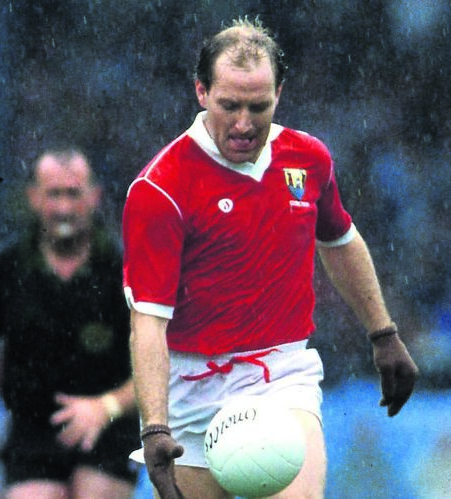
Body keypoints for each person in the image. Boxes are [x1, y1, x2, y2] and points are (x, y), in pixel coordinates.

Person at [121, 18, 419, 499]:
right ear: (201, 92)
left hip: (281, 375)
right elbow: (148, 322)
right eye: (229, 106)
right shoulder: (160, 189)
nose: (243, 124)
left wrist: (383, 333)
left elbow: (340, 241)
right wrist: (155, 427)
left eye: (258, 107)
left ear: (279, 93)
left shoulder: (308, 159)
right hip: (191, 388)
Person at [0, 147, 140, 498]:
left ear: (95, 197)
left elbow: (160, 359)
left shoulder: (125, 269)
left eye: (74, 194)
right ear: (34, 198)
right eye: (54, 194)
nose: (64, 207)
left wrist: (106, 407)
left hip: (110, 430)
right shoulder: (7, 269)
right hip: (32, 431)